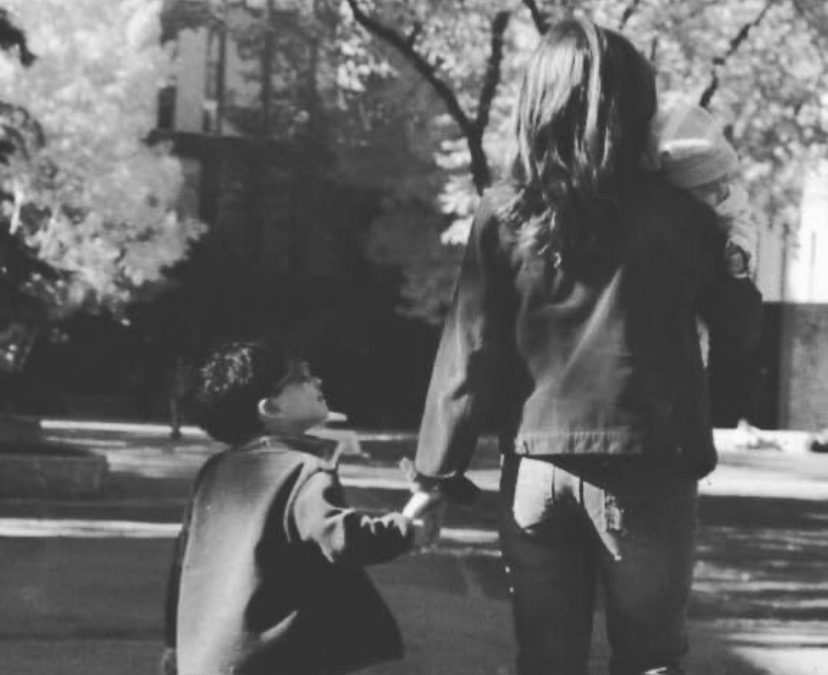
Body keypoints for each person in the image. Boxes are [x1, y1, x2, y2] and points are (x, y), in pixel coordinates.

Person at [404, 17, 762, 675]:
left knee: (544, 658)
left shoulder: (504, 211)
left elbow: (468, 349)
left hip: (536, 464)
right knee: (651, 656)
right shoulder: (682, 217)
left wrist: (433, 475)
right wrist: (735, 243)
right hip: (650, 459)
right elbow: (741, 329)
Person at [162, 340, 430, 675]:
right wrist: (407, 530)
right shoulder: (301, 469)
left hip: (211, 660)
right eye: (301, 377)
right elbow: (341, 535)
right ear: (270, 409)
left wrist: (173, 644)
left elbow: (182, 564)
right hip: (277, 661)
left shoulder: (213, 472)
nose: (316, 380)